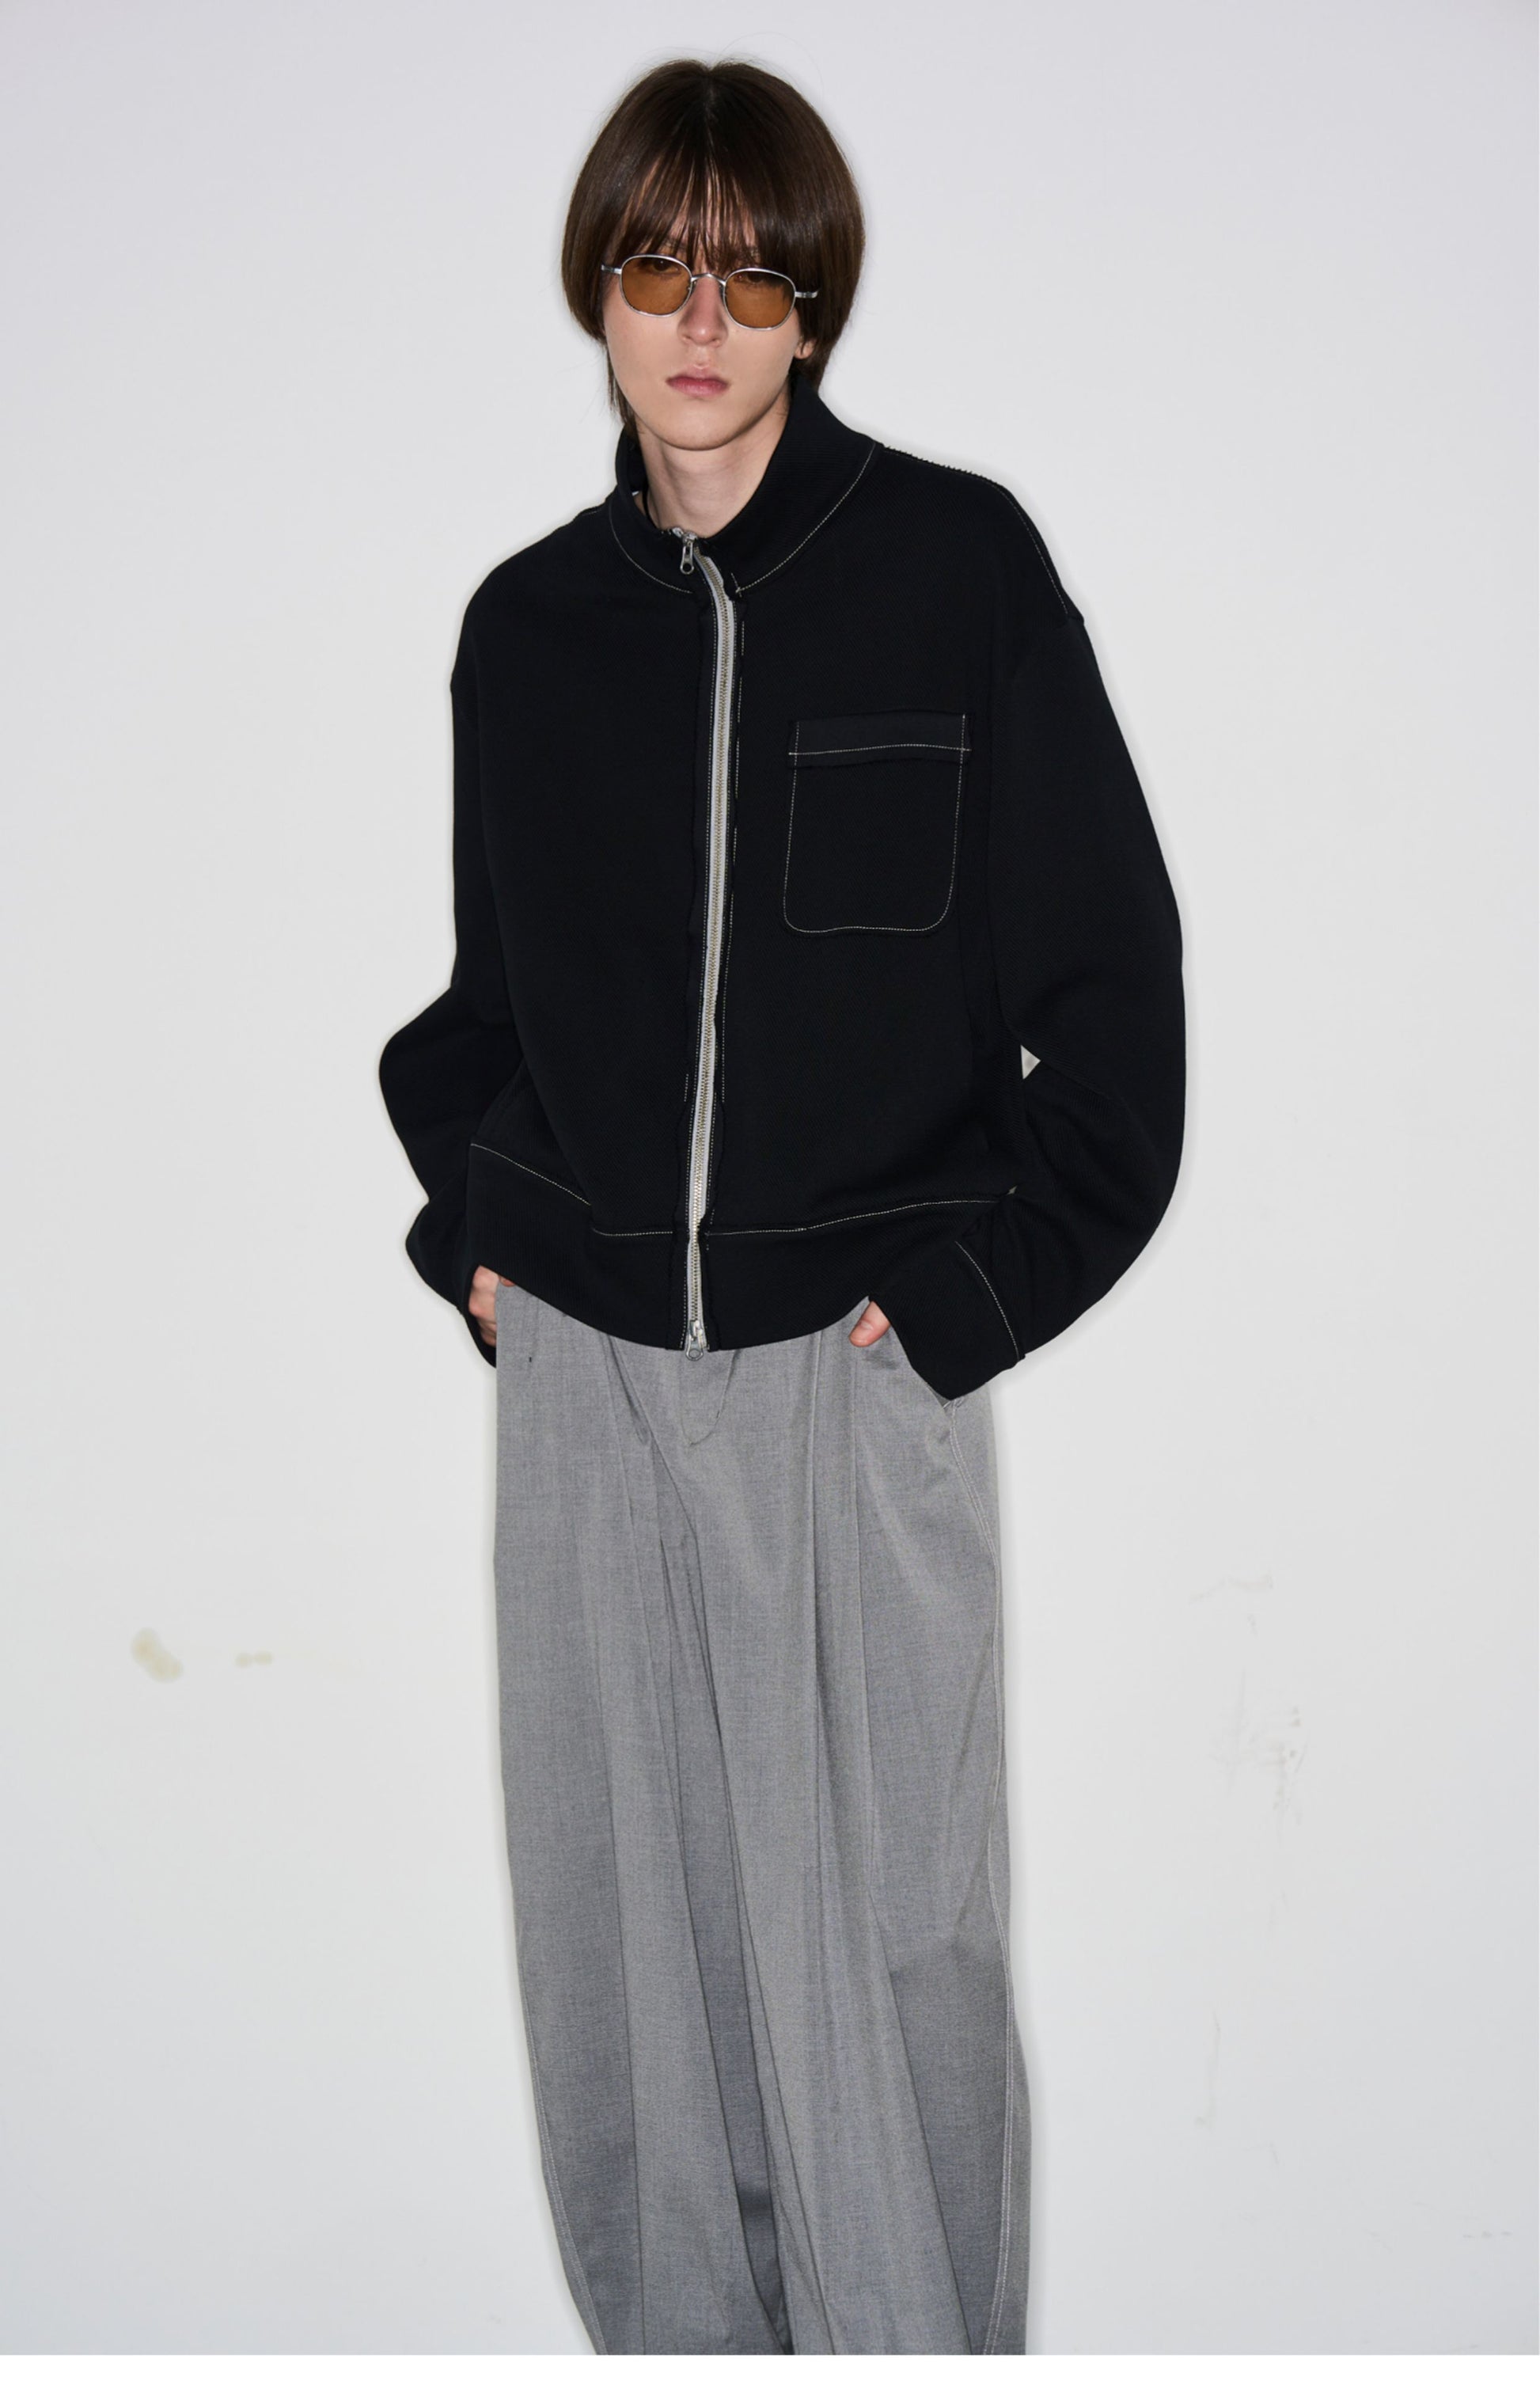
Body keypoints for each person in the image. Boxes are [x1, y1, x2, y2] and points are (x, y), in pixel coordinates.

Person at [378, 55, 1185, 2357]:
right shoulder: (530, 630)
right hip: (594, 1390)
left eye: (753, 276)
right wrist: (481, 1246)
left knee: (893, 1963)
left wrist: (963, 1297)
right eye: (660, 269)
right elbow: (488, 1015)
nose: (704, 322)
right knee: (633, 1978)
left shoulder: (956, 569)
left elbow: (1111, 1009)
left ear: (813, 306)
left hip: (853, 1378)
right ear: (601, 298)